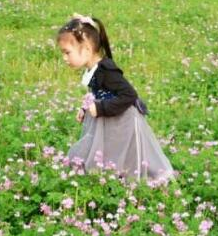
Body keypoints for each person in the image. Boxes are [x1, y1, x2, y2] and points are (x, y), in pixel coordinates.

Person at [57, 13, 176, 186]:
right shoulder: (93, 69)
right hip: (110, 118)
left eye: (67, 52)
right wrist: (84, 108)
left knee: (126, 151)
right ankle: (107, 176)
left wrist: (101, 108)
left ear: (87, 49)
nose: (64, 58)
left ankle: (132, 181)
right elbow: (97, 93)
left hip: (124, 120)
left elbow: (129, 95)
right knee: (109, 147)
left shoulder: (107, 70)